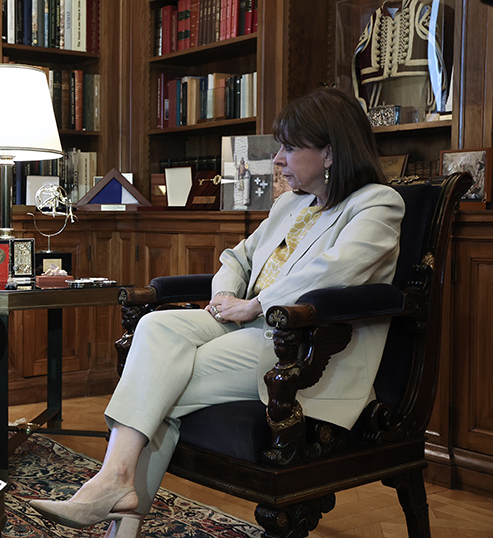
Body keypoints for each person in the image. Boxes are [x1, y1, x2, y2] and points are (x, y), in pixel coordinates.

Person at [29, 87, 405, 538]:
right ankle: (116, 484)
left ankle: (114, 495)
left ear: (329, 152)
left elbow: (335, 271)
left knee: (158, 384)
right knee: (155, 325)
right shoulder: (291, 203)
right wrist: (226, 296)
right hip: (245, 325)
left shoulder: (377, 203)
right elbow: (237, 257)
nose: (278, 160)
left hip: (302, 348)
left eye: (289, 147)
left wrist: (256, 304)